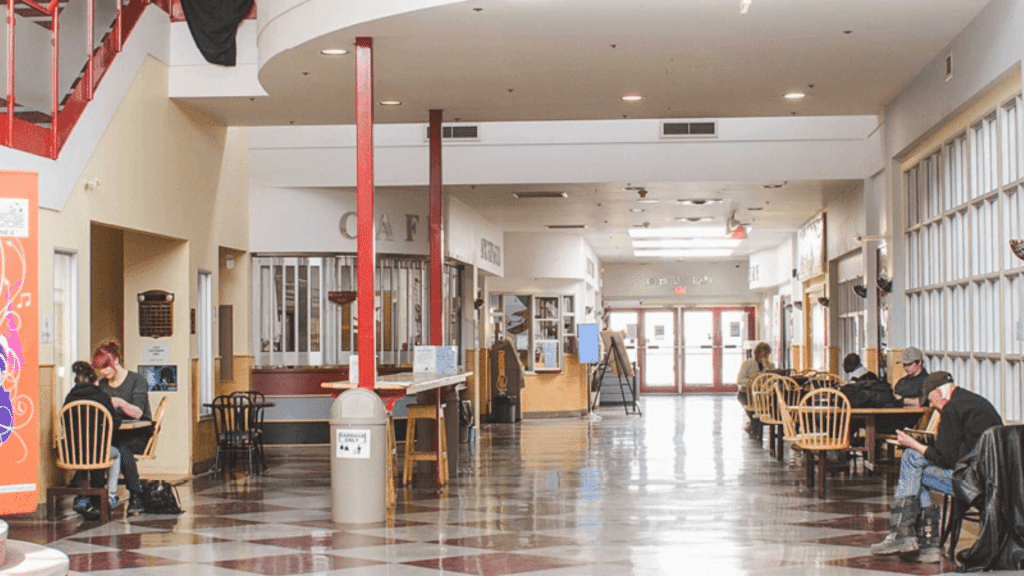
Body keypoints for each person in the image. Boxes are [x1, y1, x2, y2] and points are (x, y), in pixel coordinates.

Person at [870, 371, 1002, 563]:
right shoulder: (975, 402)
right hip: (993, 478)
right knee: (915, 466)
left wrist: (913, 444)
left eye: (930, 400)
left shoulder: (951, 409)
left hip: (970, 483)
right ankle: (914, 539)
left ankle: (914, 538)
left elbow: (946, 460)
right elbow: (957, 451)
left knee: (912, 463)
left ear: (939, 392)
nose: (931, 405)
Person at [92, 339, 152, 516]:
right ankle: (95, 495)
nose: (103, 371)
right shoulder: (102, 385)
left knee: (123, 449)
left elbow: (138, 413)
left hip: (139, 431)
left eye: (106, 366)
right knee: (99, 447)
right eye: (100, 368)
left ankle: (136, 495)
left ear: (116, 360)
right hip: (113, 432)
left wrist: (122, 403)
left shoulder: (137, 380)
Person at [62, 361, 122, 520]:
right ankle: (111, 496)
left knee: (85, 455)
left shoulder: (69, 397)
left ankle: (83, 497)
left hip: (73, 453)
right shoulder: (101, 396)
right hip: (98, 452)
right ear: (94, 380)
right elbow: (114, 423)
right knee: (116, 454)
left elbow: (65, 422)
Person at [737, 342, 774, 434]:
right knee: (751, 404)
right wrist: (755, 383)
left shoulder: (771, 365)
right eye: (763, 353)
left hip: (764, 395)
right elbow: (740, 380)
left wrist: (766, 367)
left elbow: (771, 379)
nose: (765, 356)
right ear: (757, 353)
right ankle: (753, 422)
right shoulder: (747, 363)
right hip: (747, 393)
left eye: (767, 353)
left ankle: (754, 423)